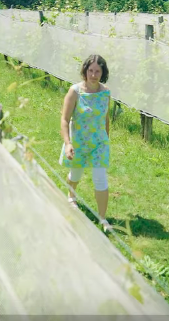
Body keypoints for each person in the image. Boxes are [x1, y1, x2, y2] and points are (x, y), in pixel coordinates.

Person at [60, 54, 112, 232]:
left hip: (99, 144)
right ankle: (71, 195)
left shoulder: (105, 92)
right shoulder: (75, 91)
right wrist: (68, 143)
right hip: (79, 142)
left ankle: (103, 218)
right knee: (76, 174)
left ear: (102, 72)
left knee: (100, 178)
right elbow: (65, 119)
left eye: (98, 71)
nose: (94, 74)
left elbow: (105, 118)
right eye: (90, 70)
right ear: (85, 71)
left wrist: (106, 138)